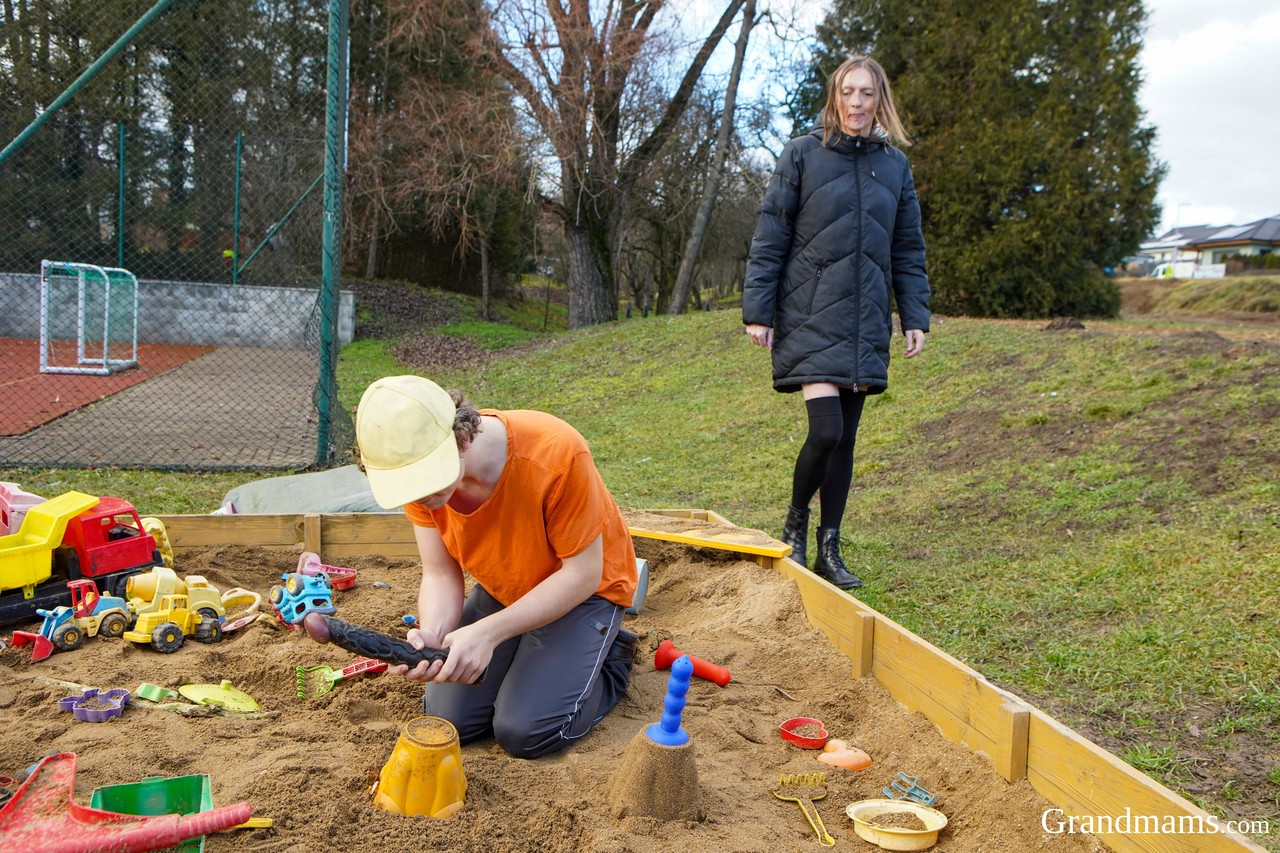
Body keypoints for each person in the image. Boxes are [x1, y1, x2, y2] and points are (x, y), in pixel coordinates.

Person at [354, 375, 639, 759]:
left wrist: (487, 635)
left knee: (524, 732)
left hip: (584, 592)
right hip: (505, 586)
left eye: (427, 480)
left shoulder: (555, 453)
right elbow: (439, 572)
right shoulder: (416, 478)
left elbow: (582, 574)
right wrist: (433, 635)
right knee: (447, 720)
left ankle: (609, 658)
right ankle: (530, 653)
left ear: (462, 436)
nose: (421, 497)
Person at [742, 55, 931, 590]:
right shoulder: (802, 154)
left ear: (880, 101)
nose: (856, 103)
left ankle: (831, 548)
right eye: (848, 92)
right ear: (835, 97)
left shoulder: (894, 167)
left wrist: (913, 312)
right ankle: (795, 530)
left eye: (867, 94)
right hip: (808, 312)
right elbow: (770, 234)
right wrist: (758, 310)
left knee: (845, 439)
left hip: (864, 319)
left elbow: (907, 248)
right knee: (826, 429)